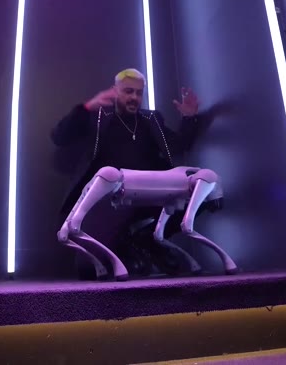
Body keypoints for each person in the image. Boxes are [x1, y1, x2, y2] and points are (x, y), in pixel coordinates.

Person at [50, 68, 204, 279]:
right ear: (115, 91)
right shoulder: (99, 118)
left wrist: (189, 118)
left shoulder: (151, 119)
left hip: (149, 195)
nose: (134, 97)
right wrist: (86, 108)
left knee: (201, 194)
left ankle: (145, 238)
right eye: (128, 91)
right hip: (108, 201)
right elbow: (59, 137)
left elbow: (176, 146)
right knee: (88, 270)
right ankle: (124, 243)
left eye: (139, 93)